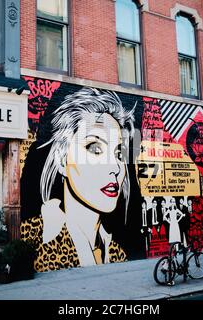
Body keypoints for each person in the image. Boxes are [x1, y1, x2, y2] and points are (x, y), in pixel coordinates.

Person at [20, 87, 136, 272]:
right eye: (95, 149)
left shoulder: (117, 251)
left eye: (118, 153)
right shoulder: (37, 238)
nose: (115, 167)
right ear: (61, 159)